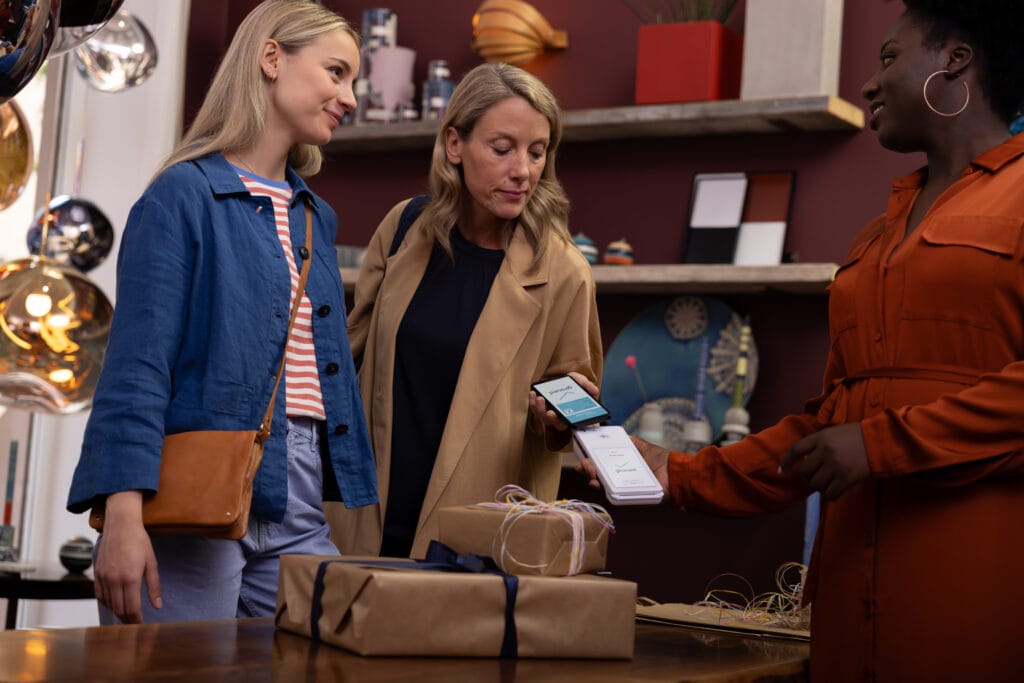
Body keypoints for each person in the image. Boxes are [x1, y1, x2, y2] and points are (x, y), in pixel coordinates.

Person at [582, 1, 1024, 680]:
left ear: (954, 61)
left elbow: (863, 435)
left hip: (973, 585)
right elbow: (829, 426)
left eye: (887, 58)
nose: (870, 84)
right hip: (848, 594)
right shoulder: (873, 239)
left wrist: (879, 444)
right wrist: (676, 471)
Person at [66, 0, 377, 624]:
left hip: (301, 494)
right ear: (271, 58)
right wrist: (124, 516)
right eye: (336, 72)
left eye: (354, 81)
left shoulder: (315, 215)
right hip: (193, 490)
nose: (348, 96)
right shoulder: (183, 195)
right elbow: (136, 366)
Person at [333, 62, 602, 559]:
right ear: (454, 145)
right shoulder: (404, 227)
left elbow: (567, 413)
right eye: (502, 149)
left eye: (537, 152)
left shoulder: (565, 271)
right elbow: (350, 357)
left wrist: (560, 419)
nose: (522, 170)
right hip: (368, 516)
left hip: (479, 535)